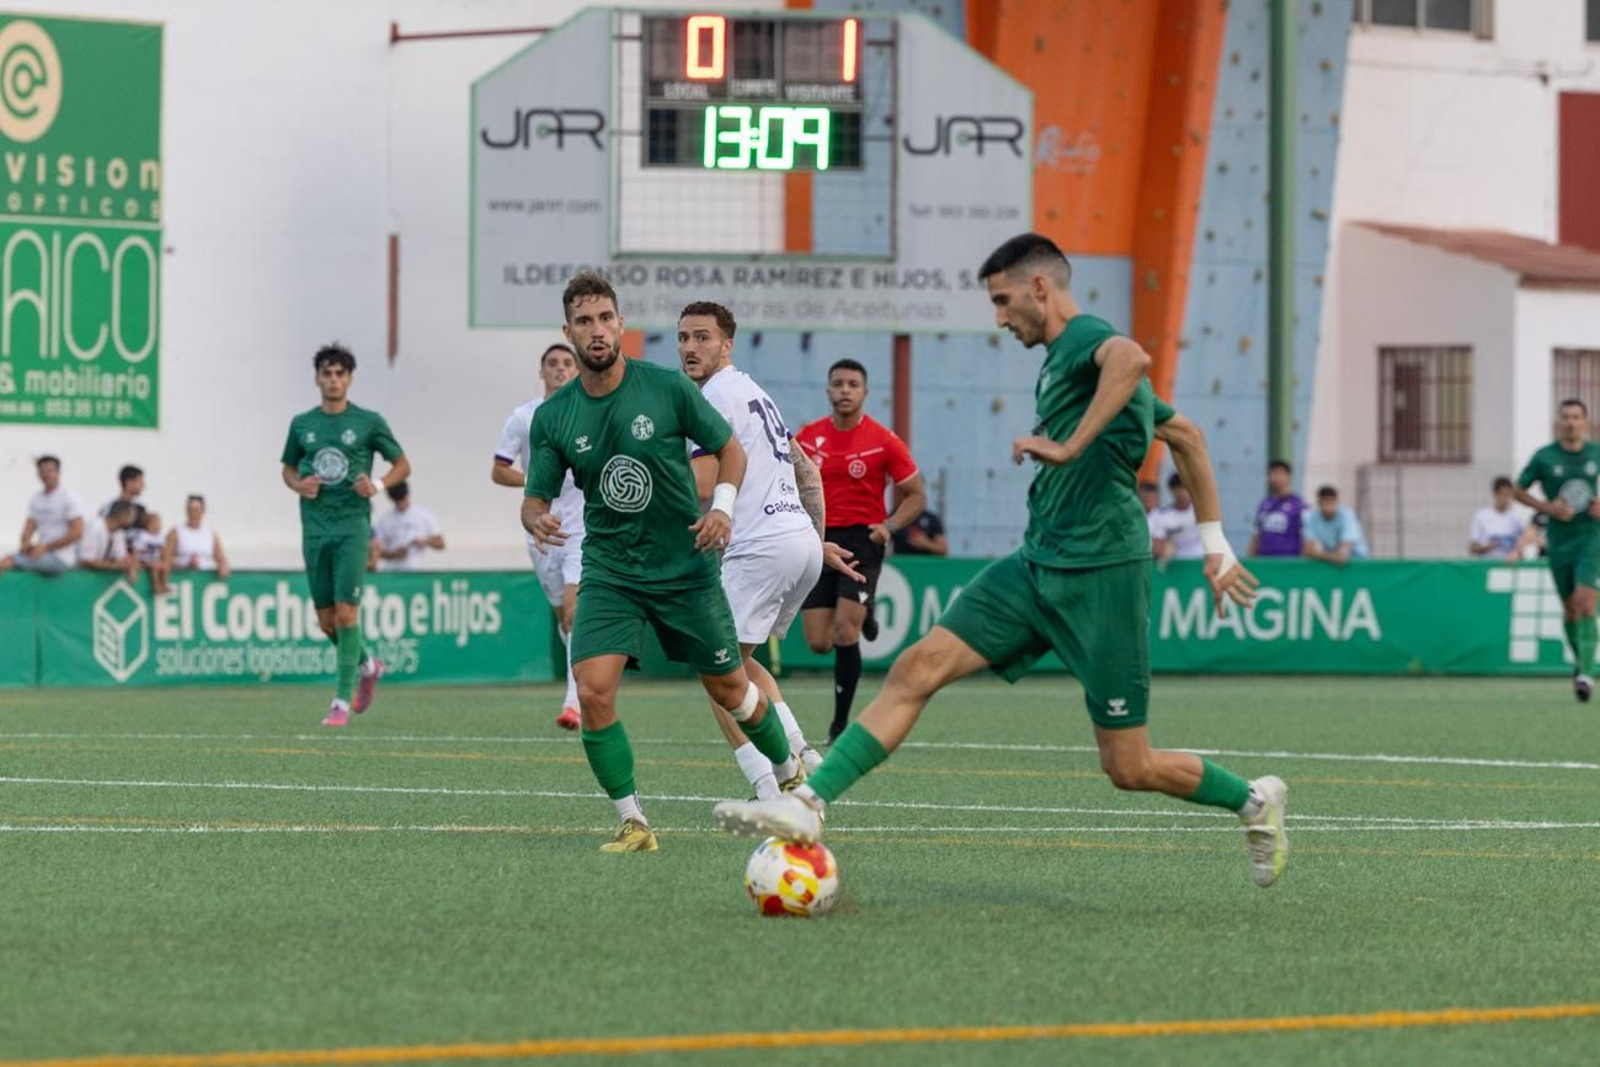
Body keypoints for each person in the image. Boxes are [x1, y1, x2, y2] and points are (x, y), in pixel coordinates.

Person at [714, 232, 1287, 890]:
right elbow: (1184, 433)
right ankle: (805, 804)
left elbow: (1131, 357)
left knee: (1128, 764)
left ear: (1041, 288)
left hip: (1105, 572)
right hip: (1038, 561)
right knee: (916, 666)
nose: (999, 317)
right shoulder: (1059, 362)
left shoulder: (1086, 338)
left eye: (1003, 300)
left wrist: (1069, 447)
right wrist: (1216, 545)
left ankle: (1254, 799)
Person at [523, 272, 794, 853]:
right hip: (612, 571)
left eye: (605, 319)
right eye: (583, 322)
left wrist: (721, 508)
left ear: (620, 324)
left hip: (684, 567)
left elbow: (730, 449)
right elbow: (534, 499)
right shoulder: (554, 418)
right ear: (567, 331)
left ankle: (790, 772)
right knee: (593, 690)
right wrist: (535, 518)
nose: (596, 331)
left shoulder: (667, 388)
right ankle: (634, 822)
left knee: (732, 689)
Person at [677, 300, 864, 798]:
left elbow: (701, 479)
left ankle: (771, 788)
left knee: (718, 674)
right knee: (742, 662)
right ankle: (802, 750)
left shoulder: (713, 395)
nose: (691, 347)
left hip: (762, 546)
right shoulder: (756, 392)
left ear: (726, 345)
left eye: (702, 337)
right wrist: (812, 537)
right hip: (795, 541)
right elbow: (808, 470)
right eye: (684, 338)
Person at [796, 359, 927, 743]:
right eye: (838, 383)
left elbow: (917, 496)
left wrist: (890, 526)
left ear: (865, 393)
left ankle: (839, 725)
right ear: (828, 390)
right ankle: (864, 614)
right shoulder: (806, 439)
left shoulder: (883, 440)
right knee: (819, 643)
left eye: (853, 384)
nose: (845, 390)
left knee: (844, 631)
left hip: (862, 541)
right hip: (818, 540)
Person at [281, 343, 410, 727]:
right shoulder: (302, 424)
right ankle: (369, 665)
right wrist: (298, 485)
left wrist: (378, 484)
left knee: (346, 612)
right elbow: (288, 469)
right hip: (314, 529)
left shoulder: (369, 421)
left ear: (349, 379)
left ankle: (340, 701)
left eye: (340, 373)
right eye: (327, 373)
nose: (333, 380)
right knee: (326, 622)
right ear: (318, 378)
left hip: (352, 527)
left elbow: (402, 464)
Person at [495, 343, 586, 730]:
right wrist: (534, 482)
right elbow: (499, 469)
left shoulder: (589, 411)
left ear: (576, 370)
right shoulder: (524, 417)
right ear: (542, 371)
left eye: (567, 363)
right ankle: (584, 673)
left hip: (582, 525)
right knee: (563, 622)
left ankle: (574, 703)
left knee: (574, 610)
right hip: (540, 526)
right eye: (553, 364)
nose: (560, 369)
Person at [1514, 398, 1600, 701]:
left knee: (1586, 602)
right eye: (1565, 417)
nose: (1571, 422)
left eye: (1576, 417)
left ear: (1585, 422)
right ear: (1558, 421)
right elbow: (1518, 489)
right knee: (1570, 609)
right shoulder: (1545, 457)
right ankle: (1581, 662)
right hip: (1559, 542)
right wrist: (1546, 507)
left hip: (1591, 539)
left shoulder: (1595, 454)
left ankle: (1588, 676)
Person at [0, 455, 84, 577]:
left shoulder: (69, 497)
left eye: (50, 470)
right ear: (38, 474)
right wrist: (26, 545)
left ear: (58, 473)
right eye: (43, 471)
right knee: (8, 560)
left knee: (6, 563)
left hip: (61, 557)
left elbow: (77, 532)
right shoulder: (37, 498)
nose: (46, 474)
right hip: (42, 553)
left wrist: (46, 547)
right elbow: (28, 528)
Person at [368, 481, 445, 571]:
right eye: (397, 501)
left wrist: (425, 541)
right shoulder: (384, 520)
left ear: (407, 495)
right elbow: (376, 551)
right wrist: (393, 554)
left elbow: (441, 543)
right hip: (391, 571)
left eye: (403, 499)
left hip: (416, 571)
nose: (401, 503)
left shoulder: (424, 515)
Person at [164, 494, 231, 579]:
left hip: (206, 577)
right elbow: (166, 557)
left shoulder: (211, 533)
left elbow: (220, 557)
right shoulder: (176, 532)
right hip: (183, 577)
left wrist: (223, 566)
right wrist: (185, 565)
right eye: (191, 510)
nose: (194, 513)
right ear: (187, 510)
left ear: (203, 511)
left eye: (197, 509)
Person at [1248, 459, 1306, 557]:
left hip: (1289, 563)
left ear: (1288, 476)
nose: (1276, 478)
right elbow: (1256, 535)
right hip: (1265, 562)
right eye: (1272, 474)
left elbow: (1305, 537)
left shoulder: (1299, 505)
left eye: (1279, 474)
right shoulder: (1264, 504)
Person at [1469, 477, 1535, 560]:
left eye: (1508, 495)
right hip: (1488, 565)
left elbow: (1527, 539)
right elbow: (1472, 548)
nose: (1505, 499)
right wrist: (1489, 547)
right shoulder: (1481, 516)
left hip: (1509, 566)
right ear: (1495, 495)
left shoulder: (1517, 517)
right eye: (1503, 494)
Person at [1302, 485, 1369, 565]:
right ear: (1319, 502)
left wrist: (1320, 555)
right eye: (1325, 502)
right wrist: (1332, 556)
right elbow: (1309, 550)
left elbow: (1343, 555)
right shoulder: (1312, 517)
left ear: (1337, 502)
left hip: (1358, 562)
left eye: (1331, 502)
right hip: (1332, 564)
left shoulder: (1347, 516)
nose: (1328, 506)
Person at [78, 499, 141, 582]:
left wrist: (131, 564)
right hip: (77, 576)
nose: (133, 521)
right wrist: (119, 566)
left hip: (92, 579)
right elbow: (86, 561)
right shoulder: (94, 527)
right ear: (123, 515)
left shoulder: (118, 533)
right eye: (132, 517)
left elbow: (120, 558)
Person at [1152, 472, 1203, 561]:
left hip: (1200, 562)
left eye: (1186, 489)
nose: (1182, 493)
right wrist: (1164, 549)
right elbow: (1157, 546)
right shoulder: (1162, 516)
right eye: (1179, 489)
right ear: (1171, 490)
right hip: (1177, 564)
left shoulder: (1202, 512)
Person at [130, 511, 171, 594]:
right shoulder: (143, 536)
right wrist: (134, 567)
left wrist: (165, 559)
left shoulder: (160, 536)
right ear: (147, 525)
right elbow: (136, 551)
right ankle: (155, 586)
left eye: (159, 523)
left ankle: (164, 584)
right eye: (154, 524)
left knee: (165, 567)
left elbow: (163, 551)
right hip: (144, 560)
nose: (157, 526)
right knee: (155, 567)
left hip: (155, 559)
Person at [1139, 479, 1162, 554]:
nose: (1149, 502)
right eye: (1146, 498)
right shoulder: (1132, 517)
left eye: (1152, 498)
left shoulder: (1160, 517)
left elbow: (1158, 549)